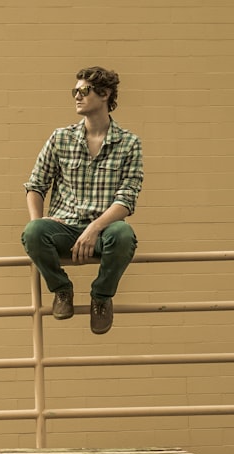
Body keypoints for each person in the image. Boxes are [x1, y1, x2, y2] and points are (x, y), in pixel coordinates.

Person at [20, 66, 143, 334]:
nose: (77, 95)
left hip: (102, 233)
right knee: (33, 232)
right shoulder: (61, 138)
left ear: (105, 94)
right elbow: (35, 185)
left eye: (83, 90)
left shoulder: (129, 143)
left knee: (123, 235)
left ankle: (101, 297)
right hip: (64, 228)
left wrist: (93, 229)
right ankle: (62, 291)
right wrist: (39, 220)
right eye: (74, 91)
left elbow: (127, 199)